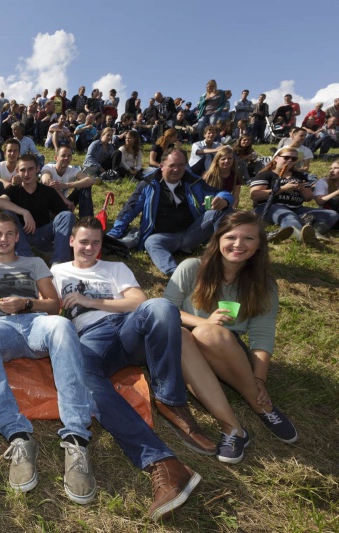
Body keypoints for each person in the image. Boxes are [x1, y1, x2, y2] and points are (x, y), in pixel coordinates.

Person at [52, 216, 212, 521]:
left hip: (129, 328)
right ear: (71, 241)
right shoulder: (57, 272)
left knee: (161, 307)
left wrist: (89, 300)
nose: (89, 247)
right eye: (83, 241)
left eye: (96, 242)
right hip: (91, 339)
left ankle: (170, 399)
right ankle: (164, 464)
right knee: (83, 377)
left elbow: (137, 301)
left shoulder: (115, 268)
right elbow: (46, 304)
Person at [0, 213, 96, 503]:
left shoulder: (34, 263)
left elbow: (55, 306)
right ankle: (18, 436)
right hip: (3, 328)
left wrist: (25, 302)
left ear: (17, 237)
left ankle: (76, 437)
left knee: (63, 326)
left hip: (36, 322)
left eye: (9, 234)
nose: (3, 239)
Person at [162, 211, 297, 464]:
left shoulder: (263, 285)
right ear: (218, 239)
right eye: (231, 236)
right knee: (183, 335)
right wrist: (205, 322)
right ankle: (233, 429)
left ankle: (260, 404)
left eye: (248, 238)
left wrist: (259, 378)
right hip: (185, 347)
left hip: (227, 350)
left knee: (209, 334)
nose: (238, 244)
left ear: (259, 246)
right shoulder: (191, 268)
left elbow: (262, 335)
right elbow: (165, 310)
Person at [108, 148, 233, 276]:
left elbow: (218, 193)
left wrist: (224, 199)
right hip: (162, 237)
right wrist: (113, 234)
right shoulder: (148, 184)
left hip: (192, 232)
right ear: (162, 166)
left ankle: (224, 255)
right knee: (151, 242)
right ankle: (176, 274)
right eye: (172, 165)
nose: (177, 169)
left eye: (181, 165)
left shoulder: (193, 181)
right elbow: (129, 209)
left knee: (223, 210)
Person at [249, 147, 338, 244]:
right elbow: (255, 195)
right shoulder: (266, 174)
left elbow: (308, 198)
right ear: (276, 158)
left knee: (331, 214)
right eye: (286, 157)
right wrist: (283, 189)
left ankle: (314, 232)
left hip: (297, 208)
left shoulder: (299, 176)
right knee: (289, 216)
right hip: (269, 206)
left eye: (293, 159)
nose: (290, 160)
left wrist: (302, 189)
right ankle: (299, 236)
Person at [1, 154, 75, 265]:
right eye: (22, 170)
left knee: (67, 215)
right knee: (8, 213)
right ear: (17, 171)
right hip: (20, 236)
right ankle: (26, 257)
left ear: (37, 168)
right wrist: (24, 212)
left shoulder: (48, 191)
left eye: (30, 169)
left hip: (42, 235)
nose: (26, 174)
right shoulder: (13, 190)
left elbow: (63, 215)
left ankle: (59, 263)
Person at [40, 145, 96, 216]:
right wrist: (66, 201)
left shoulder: (72, 170)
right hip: (47, 204)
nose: (66, 158)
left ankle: (86, 220)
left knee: (85, 186)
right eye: (63, 156)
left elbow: (91, 180)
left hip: (62, 204)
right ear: (56, 158)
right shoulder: (48, 167)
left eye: (69, 156)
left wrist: (66, 185)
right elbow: (46, 181)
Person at [314, 161, 339, 226]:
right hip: (328, 212)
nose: (331, 171)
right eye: (331, 168)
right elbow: (319, 201)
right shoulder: (323, 182)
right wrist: (337, 192)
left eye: (336, 168)